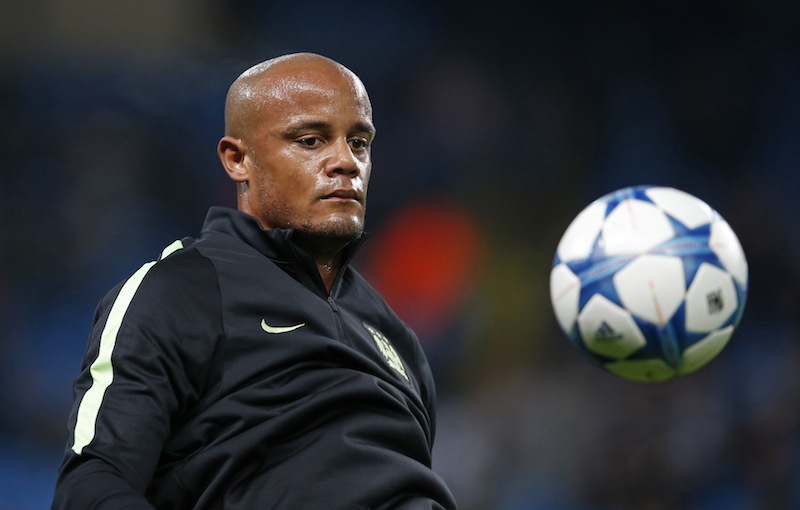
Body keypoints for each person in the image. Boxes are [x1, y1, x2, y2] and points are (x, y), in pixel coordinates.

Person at [51, 52, 458, 510]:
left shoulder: (397, 339)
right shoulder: (180, 293)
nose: (346, 162)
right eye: (310, 140)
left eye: (360, 143)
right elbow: (90, 487)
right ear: (238, 159)